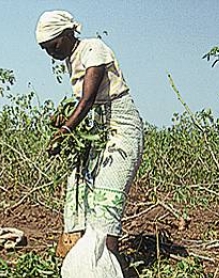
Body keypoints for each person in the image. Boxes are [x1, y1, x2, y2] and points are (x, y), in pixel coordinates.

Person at [35, 10, 144, 259]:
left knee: (107, 195)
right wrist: (64, 121)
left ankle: (111, 269)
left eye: (53, 45)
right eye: (45, 49)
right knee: (79, 187)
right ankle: (83, 260)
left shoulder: (94, 48)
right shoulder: (70, 60)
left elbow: (88, 99)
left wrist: (65, 130)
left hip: (121, 126)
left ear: (67, 33)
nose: (51, 52)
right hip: (97, 129)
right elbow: (86, 106)